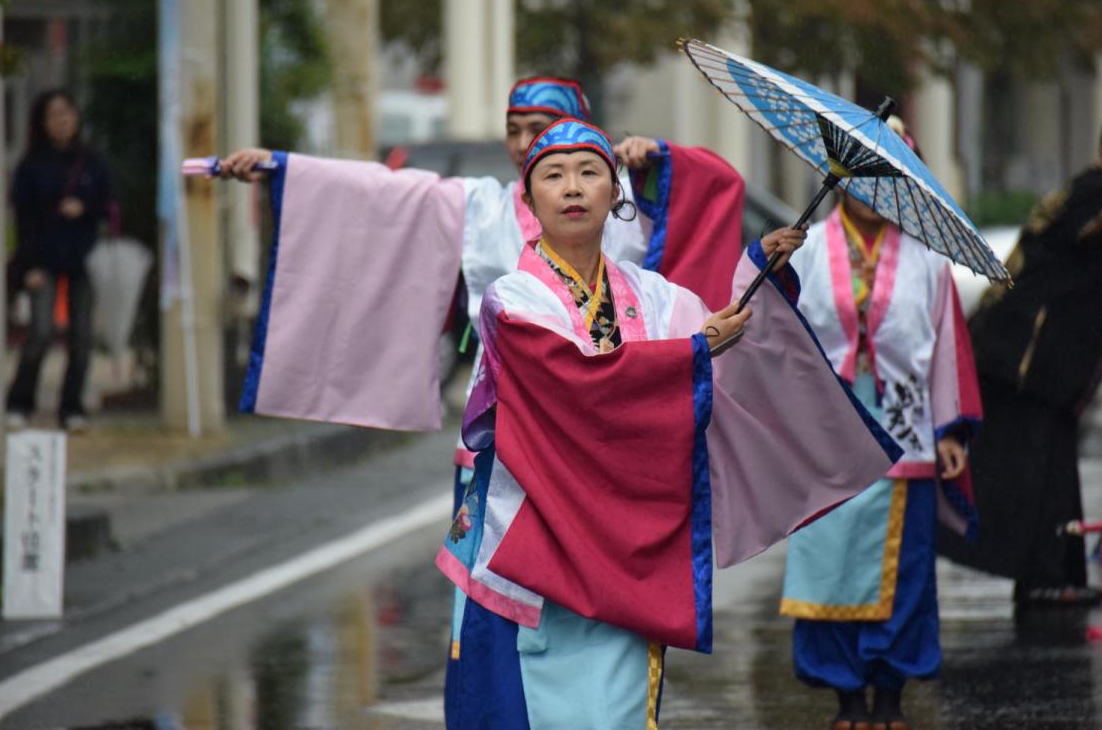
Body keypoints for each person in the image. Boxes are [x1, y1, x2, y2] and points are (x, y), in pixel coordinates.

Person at [437, 118, 903, 729]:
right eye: (553, 175)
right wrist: (691, 352)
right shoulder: (512, 299)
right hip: (532, 535)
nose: (572, 187)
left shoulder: (651, 294)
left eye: (589, 172)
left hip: (624, 538)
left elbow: (720, 353)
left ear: (615, 192)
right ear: (529, 198)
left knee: (614, 708)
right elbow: (572, 381)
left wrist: (757, 278)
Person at [218, 75, 745, 506]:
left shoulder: (620, 202)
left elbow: (707, 198)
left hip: (605, 418)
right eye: (513, 131)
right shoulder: (486, 207)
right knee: (494, 578)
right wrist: (285, 169)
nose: (522, 144)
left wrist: (662, 161)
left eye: (539, 128)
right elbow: (382, 193)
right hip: (508, 419)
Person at [776, 121, 982, 730]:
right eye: (861, 173)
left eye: (886, 176)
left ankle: (889, 693)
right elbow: (777, 340)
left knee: (905, 568)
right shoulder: (806, 249)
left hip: (904, 428)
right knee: (827, 560)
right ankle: (845, 696)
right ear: (839, 176)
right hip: (825, 428)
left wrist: (949, 430)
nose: (872, 188)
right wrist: (770, 269)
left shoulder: (927, 261)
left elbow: (947, 348)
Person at [938, 110, 1102, 607]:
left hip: (1035, 364)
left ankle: (1052, 577)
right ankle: (1044, 578)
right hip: (1018, 356)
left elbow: (1100, 293)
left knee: (1049, 464)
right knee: (1029, 468)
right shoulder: (1096, 191)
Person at [5, 89, 115, 432]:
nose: (62, 121)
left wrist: (85, 208)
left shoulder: (92, 162)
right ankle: (19, 403)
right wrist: (28, 266)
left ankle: (71, 408)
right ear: (42, 121)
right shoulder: (31, 165)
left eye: (67, 113)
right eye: (54, 114)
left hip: (84, 258)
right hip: (43, 258)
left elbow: (109, 206)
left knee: (81, 337)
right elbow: (23, 220)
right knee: (40, 332)